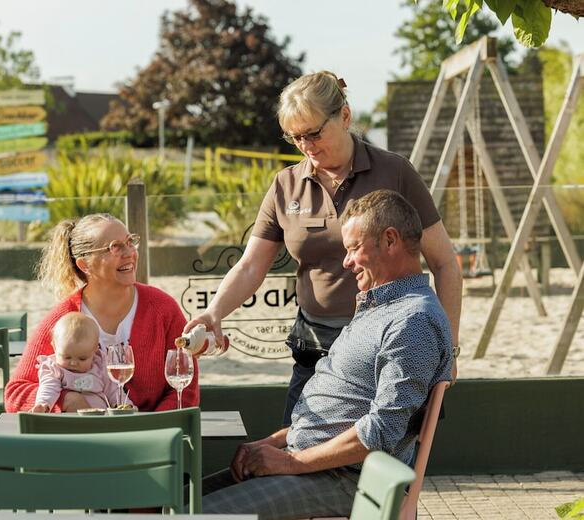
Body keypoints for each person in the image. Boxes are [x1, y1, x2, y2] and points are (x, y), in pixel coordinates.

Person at [185, 70, 461, 426]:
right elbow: (252, 265)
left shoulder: (394, 172)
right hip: (314, 349)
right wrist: (214, 313)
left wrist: (448, 349)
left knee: (380, 459)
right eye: (296, 137)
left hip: (389, 347)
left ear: (344, 116)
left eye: (314, 133)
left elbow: (445, 264)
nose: (307, 145)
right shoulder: (286, 185)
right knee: (296, 451)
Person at [202, 190, 454, 519]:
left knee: (198, 514)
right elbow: (344, 409)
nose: (346, 262)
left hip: (346, 480)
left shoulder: (414, 321)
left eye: (353, 249)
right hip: (314, 466)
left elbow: (380, 434)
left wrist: (289, 462)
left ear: (390, 240)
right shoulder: (382, 306)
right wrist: (275, 443)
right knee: (175, 504)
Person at [5, 213, 199, 412]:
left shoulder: (162, 309)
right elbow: (15, 394)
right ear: (84, 265)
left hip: (154, 437)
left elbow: (186, 390)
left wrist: (149, 429)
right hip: (82, 440)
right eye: (115, 247)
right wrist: (65, 401)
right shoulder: (63, 320)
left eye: (130, 242)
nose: (129, 253)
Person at [30, 312, 132, 413]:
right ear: (55, 347)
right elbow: (48, 387)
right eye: (67, 357)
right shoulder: (54, 368)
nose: (73, 363)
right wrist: (44, 404)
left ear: (94, 351)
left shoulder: (99, 365)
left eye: (82, 358)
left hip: (101, 419)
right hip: (72, 422)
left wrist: (126, 405)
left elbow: (113, 390)